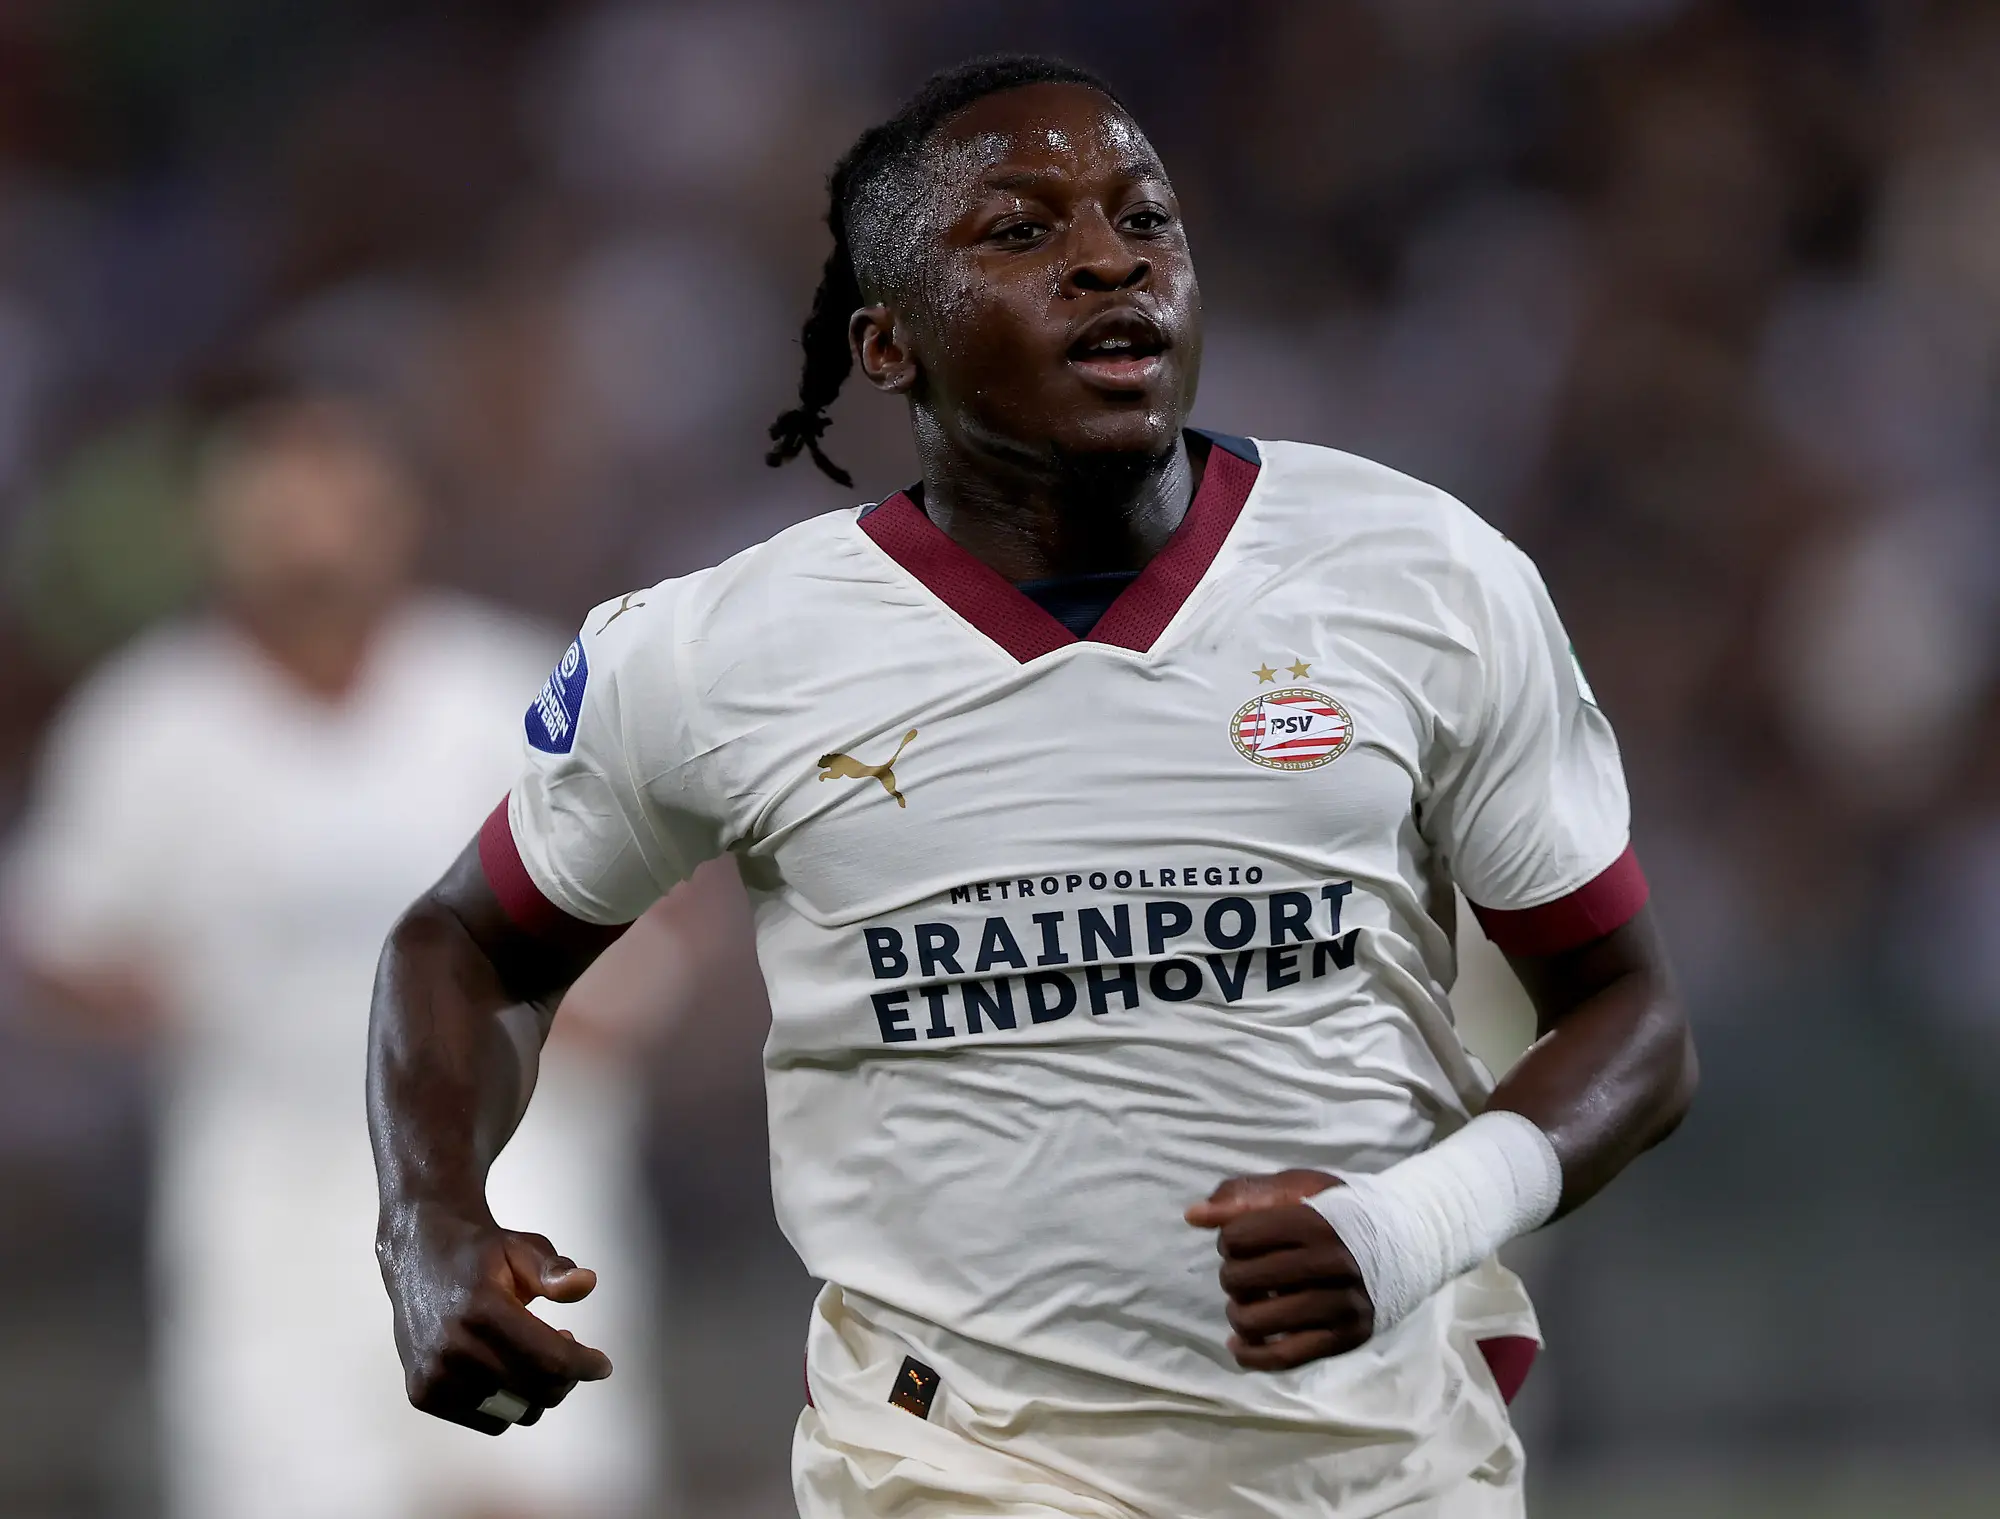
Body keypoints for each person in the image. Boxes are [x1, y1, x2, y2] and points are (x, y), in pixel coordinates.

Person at [369, 56, 1696, 1519]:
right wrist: (430, 1219)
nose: (1110, 259)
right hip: (950, 1463)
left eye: (1146, 219)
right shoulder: (714, 651)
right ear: (888, 343)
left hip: (1384, 1467)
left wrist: (1413, 1222)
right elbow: (467, 940)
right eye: (1021, 230)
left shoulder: (1421, 575)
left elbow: (1629, 1016)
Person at [4, 389, 664, 1519]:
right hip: (268, 1179)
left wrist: (610, 991)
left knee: (523, 1480)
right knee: (293, 1481)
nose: (309, 540)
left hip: (508, 1158)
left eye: (337, 504)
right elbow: (60, 935)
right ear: (216, 524)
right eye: (276, 509)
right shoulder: (153, 724)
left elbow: (650, 896)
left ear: (397, 515)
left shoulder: (502, 690)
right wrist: (156, 998)